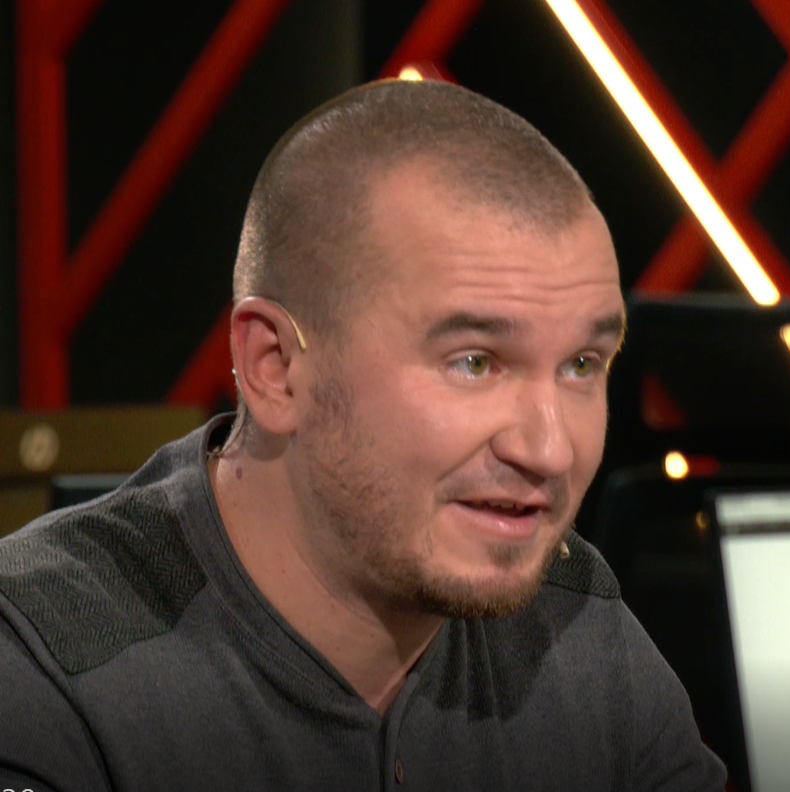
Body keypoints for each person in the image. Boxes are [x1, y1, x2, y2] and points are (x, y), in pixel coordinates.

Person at [0, 80, 725, 791]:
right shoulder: (42, 666)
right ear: (275, 368)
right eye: (474, 363)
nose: (548, 450)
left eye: (581, 365)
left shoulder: (575, 625)